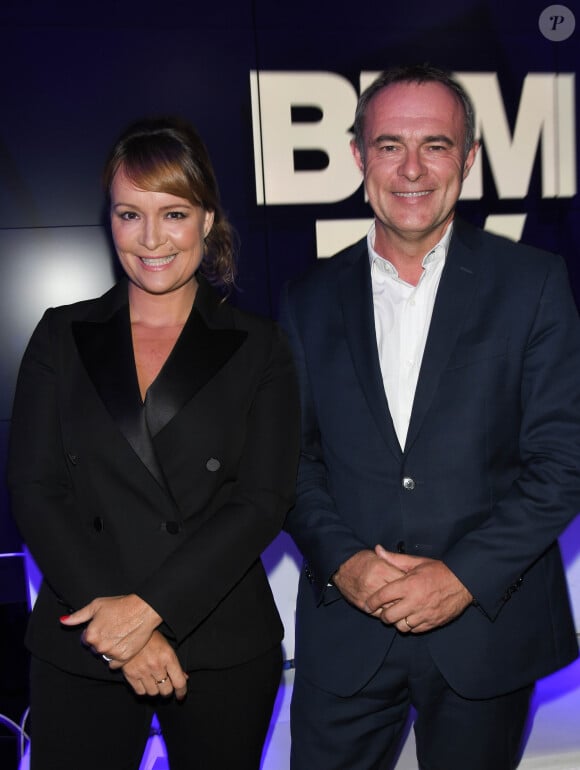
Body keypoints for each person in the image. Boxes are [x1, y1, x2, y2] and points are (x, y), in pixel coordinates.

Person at [279, 63, 580, 770]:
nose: (411, 168)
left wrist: (460, 577)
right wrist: (346, 564)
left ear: (469, 159)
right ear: (359, 157)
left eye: (436, 145)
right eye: (389, 145)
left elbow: (563, 462)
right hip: (345, 632)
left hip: (486, 631)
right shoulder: (306, 299)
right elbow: (290, 459)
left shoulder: (534, 285)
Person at [8, 116, 300, 770]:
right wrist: (121, 635)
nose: (150, 239)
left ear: (206, 220)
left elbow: (261, 499)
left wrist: (150, 610)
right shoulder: (61, 335)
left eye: (172, 213)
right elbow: (35, 489)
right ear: (108, 222)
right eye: (128, 214)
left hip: (218, 637)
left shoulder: (260, 345)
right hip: (84, 637)